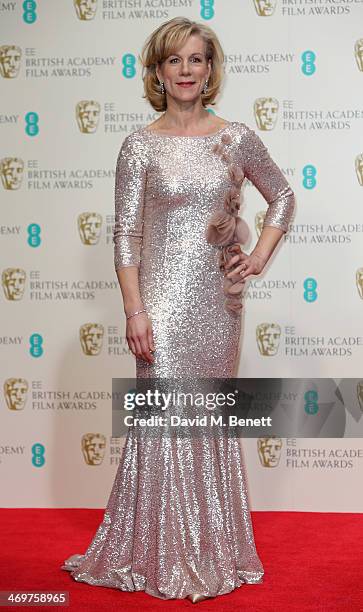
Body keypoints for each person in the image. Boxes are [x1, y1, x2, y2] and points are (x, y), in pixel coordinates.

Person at [61, 16, 296, 603]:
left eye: (197, 60)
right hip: (161, 305)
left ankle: (212, 546)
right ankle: (155, 551)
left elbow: (283, 196)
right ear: (158, 72)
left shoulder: (235, 138)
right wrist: (135, 310)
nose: (186, 71)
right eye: (175, 61)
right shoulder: (139, 144)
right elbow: (126, 236)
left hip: (218, 303)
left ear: (210, 69)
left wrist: (259, 257)